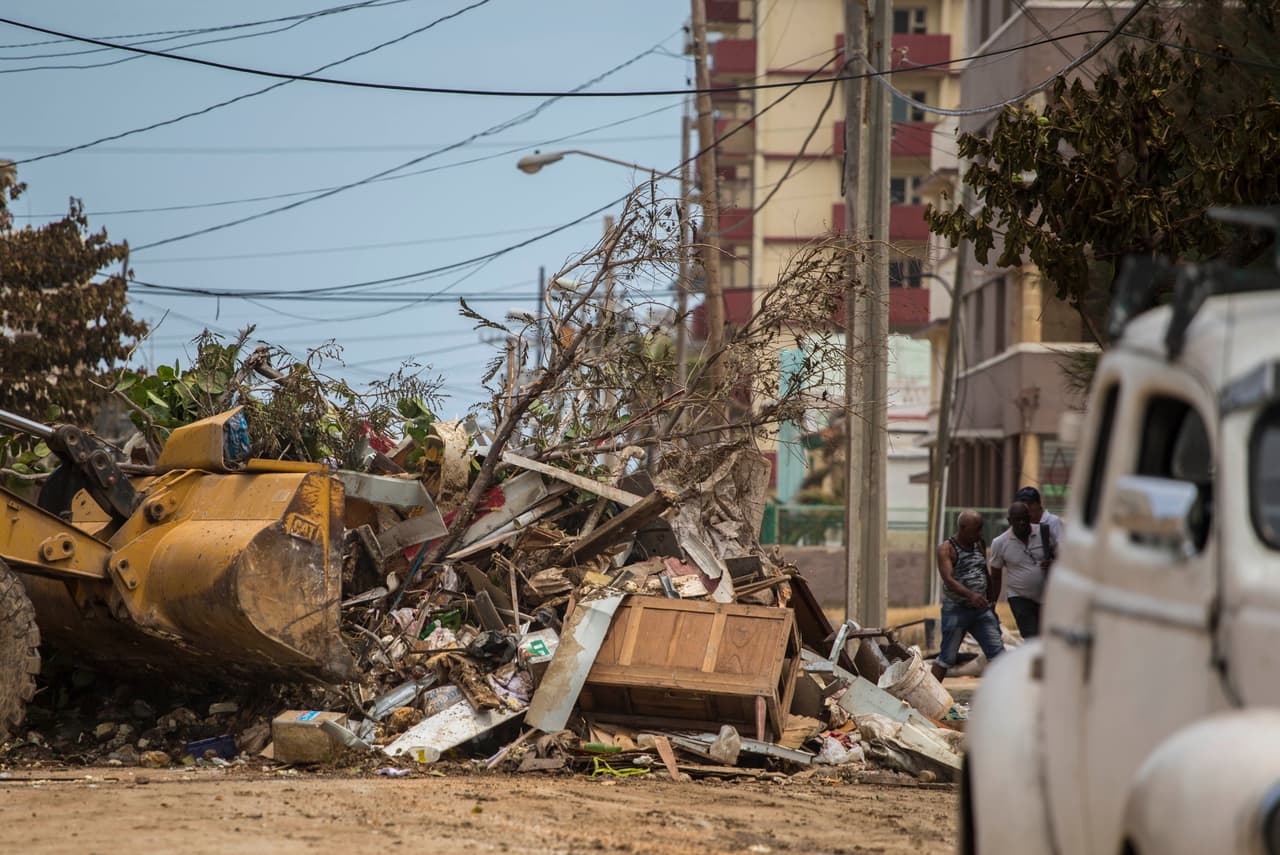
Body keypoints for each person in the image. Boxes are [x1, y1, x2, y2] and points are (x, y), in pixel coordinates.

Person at [932, 509, 1004, 681]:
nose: (980, 533)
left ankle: (1008, 697)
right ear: (963, 528)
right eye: (976, 529)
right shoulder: (947, 549)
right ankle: (928, 696)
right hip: (957, 610)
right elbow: (948, 579)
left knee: (999, 655)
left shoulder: (978, 543)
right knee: (947, 657)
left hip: (981, 610)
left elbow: (984, 572)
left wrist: (991, 602)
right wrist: (970, 595)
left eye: (981, 528)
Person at [989, 501, 1051, 639]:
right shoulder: (1000, 543)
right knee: (1031, 637)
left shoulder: (1045, 533)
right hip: (1019, 597)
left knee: (1047, 637)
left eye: (1025, 518)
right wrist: (992, 604)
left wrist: (1053, 563)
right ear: (1009, 521)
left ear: (1030, 517)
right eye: (1017, 520)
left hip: (1046, 596)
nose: (1022, 523)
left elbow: (1063, 558)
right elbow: (996, 577)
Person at [1014, 486, 1063, 565]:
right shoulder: (1022, 523)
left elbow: (1062, 551)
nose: (1027, 507)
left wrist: (1052, 563)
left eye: (1030, 504)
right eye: (1023, 505)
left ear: (1039, 504)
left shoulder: (1052, 521)